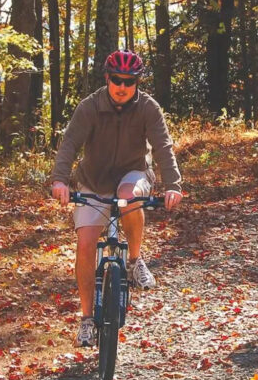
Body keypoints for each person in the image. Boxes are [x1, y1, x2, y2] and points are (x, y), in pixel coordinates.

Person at [50, 50, 183, 347]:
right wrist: (59, 180)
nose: (122, 87)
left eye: (130, 81)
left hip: (132, 174)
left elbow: (163, 146)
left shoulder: (148, 108)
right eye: (117, 80)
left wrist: (173, 185)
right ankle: (86, 320)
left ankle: (135, 260)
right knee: (85, 245)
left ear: (137, 82)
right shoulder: (90, 107)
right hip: (93, 181)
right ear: (107, 78)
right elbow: (70, 143)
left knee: (127, 197)